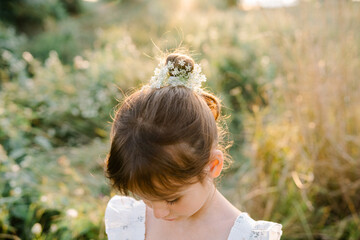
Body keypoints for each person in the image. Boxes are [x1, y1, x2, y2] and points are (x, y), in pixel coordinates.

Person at [104, 53, 283, 240]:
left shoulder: (243, 236)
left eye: (172, 200)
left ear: (212, 165)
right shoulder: (132, 222)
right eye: (146, 198)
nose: (159, 213)